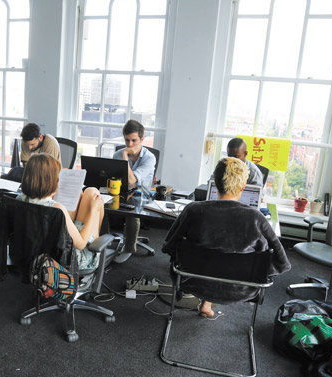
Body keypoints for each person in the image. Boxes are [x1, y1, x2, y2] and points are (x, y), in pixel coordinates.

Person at [162, 157, 290, 319]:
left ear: (214, 182)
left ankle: (206, 301)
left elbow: (168, 246)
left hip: (193, 282)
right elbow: (282, 263)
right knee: (224, 261)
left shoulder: (193, 210)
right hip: (242, 288)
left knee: (210, 259)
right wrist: (254, 274)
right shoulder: (257, 219)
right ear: (243, 186)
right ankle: (207, 304)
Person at [17, 153, 104, 272]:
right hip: (66, 260)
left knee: (81, 195)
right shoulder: (57, 209)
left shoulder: (19, 200)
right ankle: (98, 246)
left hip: (33, 252)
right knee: (92, 193)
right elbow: (81, 244)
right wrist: (94, 210)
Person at [112, 119, 156, 263]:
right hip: (121, 190)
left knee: (132, 209)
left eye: (134, 141)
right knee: (98, 202)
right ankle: (103, 242)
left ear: (142, 139)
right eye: (127, 140)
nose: (130, 145)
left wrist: (125, 155)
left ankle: (129, 248)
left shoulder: (149, 158)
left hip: (141, 194)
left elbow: (132, 181)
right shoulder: (117, 154)